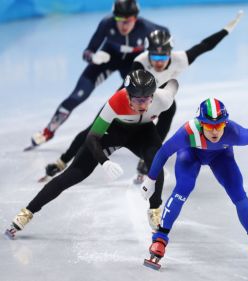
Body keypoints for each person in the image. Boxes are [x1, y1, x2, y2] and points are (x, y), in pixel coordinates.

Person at [40, 11, 245, 184]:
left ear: (170, 53)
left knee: (169, 109)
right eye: (154, 56)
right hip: (132, 96)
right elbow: (133, 91)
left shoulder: (181, 59)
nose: (158, 61)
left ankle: (148, 159)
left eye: (162, 56)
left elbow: (205, 45)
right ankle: (63, 160)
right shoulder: (140, 62)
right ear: (148, 53)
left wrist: (227, 29)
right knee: (94, 129)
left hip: (156, 96)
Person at [5, 70, 178, 239]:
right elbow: (92, 137)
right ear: (128, 95)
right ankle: (26, 213)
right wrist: (105, 161)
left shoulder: (162, 99)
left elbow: (174, 84)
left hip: (143, 133)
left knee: (156, 161)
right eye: (138, 100)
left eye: (147, 99)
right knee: (73, 175)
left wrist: (168, 77)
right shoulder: (115, 103)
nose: (143, 105)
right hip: (113, 133)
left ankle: (155, 209)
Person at [139, 98, 248, 270]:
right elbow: (163, 153)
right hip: (191, 154)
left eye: (219, 126)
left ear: (225, 124)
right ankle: (160, 238)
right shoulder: (187, 132)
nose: (215, 131)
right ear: (200, 124)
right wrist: (151, 179)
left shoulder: (236, 133)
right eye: (209, 126)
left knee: (239, 195)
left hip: (221, 157)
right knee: (184, 187)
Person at [27, 0, 169, 150]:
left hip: (131, 63)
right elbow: (87, 51)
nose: (124, 25)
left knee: (128, 99)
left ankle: (131, 135)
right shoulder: (107, 24)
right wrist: (93, 57)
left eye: (128, 20)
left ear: (136, 18)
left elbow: (165, 33)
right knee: (77, 96)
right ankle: (48, 130)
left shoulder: (145, 27)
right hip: (106, 59)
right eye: (119, 20)